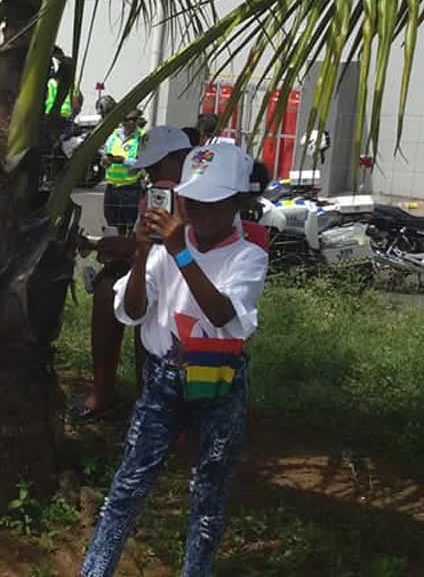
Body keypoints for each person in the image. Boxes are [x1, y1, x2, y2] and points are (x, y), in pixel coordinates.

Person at [81, 143, 269, 577]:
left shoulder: (247, 255)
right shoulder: (164, 250)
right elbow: (131, 311)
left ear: (237, 203)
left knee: (208, 495)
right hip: (163, 378)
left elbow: (224, 315)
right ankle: (94, 570)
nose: (198, 212)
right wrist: (144, 251)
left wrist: (180, 251)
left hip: (219, 382)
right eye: (191, 200)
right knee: (127, 486)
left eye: (211, 202)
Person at [75, 125, 194, 420]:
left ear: (180, 158)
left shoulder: (195, 194)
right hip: (158, 269)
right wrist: (126, 251)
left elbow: (182, 245)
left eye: (156, 167)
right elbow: (151, 244)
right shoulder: (158, 194)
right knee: (107, 289)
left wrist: (127, 248)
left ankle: (148, 398)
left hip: (190, 277)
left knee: (145, 306)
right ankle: (104, 392)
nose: (153, 176)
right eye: (150, 170)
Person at [102, 109, 144, 234]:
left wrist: (123, 160)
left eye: (133, 119)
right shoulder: (114, 136)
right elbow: (105, 153)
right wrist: (105, 161)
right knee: (112, 223)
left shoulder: (142, 137)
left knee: (129, 225)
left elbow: (142, 162)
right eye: (126, 119)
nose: (129, 122)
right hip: (112, 187)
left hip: (130, 188)